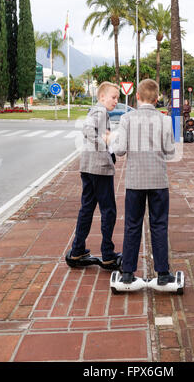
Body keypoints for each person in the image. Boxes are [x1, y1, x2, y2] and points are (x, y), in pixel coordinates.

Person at [110, 79, 176, 285]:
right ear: (157, 99)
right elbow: (171, 152)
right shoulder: (165, 120)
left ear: (137, 96)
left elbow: (119, 150)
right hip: (158, 181)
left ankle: (128, 272)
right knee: (159, 224)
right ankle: (163, 273)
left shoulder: (127, 119)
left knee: (132, 225)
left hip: (135, 182)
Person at [68, 82, 122, 269]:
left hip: (88, 167)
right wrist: (103, 151)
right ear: (102, 97)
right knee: (108, 210)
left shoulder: (95, 111)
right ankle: (107, 254)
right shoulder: (100, 112)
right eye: (113, 97)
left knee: (87, 209)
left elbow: (97, 134)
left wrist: (108, 144)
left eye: (117, 98)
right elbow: (88, 131)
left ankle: (77, 250)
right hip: (99, 169)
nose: (116, 101)